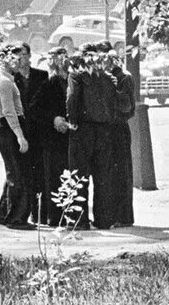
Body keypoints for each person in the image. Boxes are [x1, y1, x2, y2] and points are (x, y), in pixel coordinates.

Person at [67, 44, 125, 229]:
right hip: (104, 130)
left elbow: (72, 99)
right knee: (103, 177)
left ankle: (79, 219)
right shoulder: (109, 78)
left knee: (78, 175)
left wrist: (72, 121)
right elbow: (116, 102)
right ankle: (103, 219)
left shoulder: (76, 75)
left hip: (83, 129)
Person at [28, 47, 73, 225]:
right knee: (53, 177)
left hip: (68, 135)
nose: (63, 62)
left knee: (68, 175)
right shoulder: (50, 82)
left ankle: (67, 215)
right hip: (52, 138)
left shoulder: (71, 79)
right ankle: (54, 217)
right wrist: (53, 119)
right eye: (58, 58)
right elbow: (34, 108)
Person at [0, 43, 34, 229]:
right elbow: (9, 111)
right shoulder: (5, 82)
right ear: (5, 59)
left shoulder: (9, 80)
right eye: (14, 59)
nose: (18, 62)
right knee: (16, 173)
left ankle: (5, 213)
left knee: (15, 171)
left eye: (19, 58)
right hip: (9, 128)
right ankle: (15, 217)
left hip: (12, 127)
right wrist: (20, 135)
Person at [14, 42, 49, 223]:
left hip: (38, 131)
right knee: (19, 173)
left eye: (25, 55)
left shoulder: (42, 76)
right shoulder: (11, 78)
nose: (22, 59)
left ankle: (39, 215)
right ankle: (16, 214)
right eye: (18, 56)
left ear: (30, 56)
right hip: (19, 131)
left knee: (39, 174)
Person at [104, 45, 136, 227]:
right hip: (107, 129)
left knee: (121, 173)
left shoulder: (124, 78)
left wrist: (113, 90)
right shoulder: (102, 77)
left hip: (118, 129)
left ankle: (123, 216)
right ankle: (111, 214)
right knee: (109, 173)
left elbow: (128, 108)